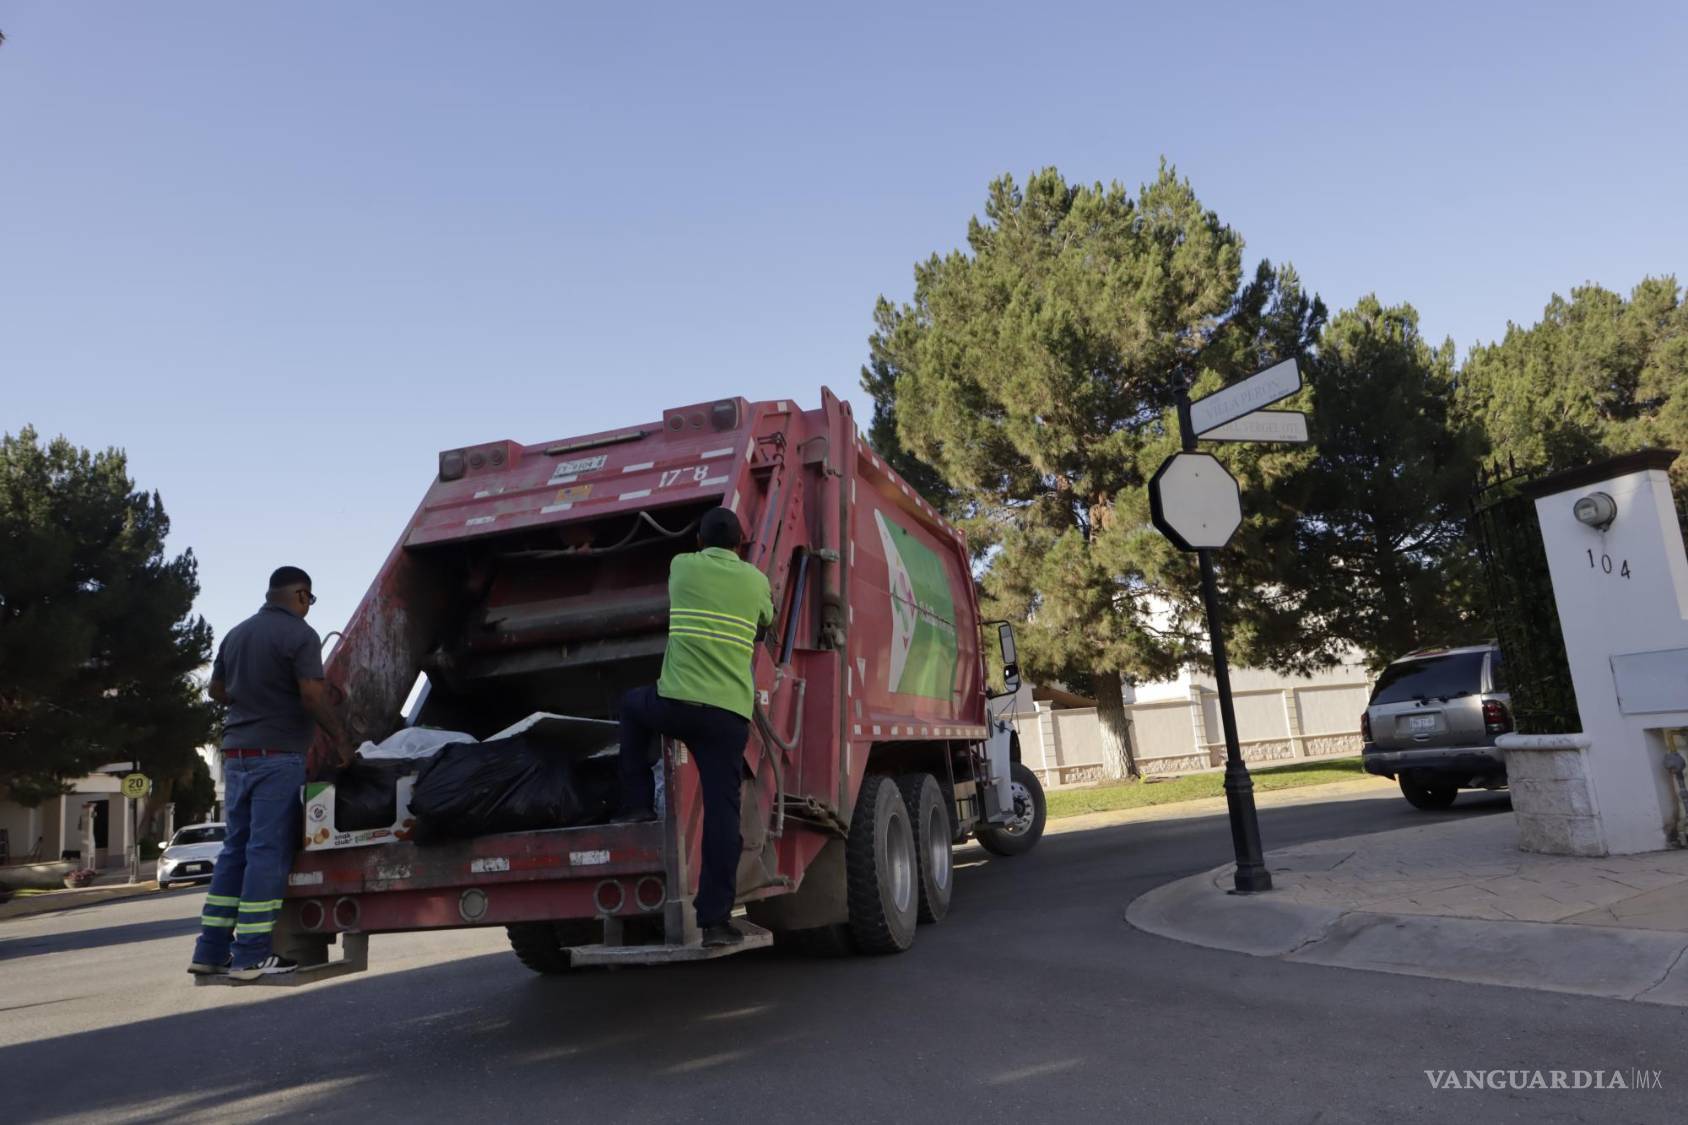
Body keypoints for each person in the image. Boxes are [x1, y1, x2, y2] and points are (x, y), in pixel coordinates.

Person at [615, 507, 774, 948]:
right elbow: (768, 620)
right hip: (726, 717)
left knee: (630, 707)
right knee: (723, 815)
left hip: (675, 704)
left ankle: (636, 804)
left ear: (700, 543)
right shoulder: (755, 581)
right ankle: (715, 922)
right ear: (740, 545)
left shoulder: (682, 566)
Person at [189, 566, 351, 981]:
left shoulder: (237, 633)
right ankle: (250, 956)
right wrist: (340, 739)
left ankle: (209, 951)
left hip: (237, 753)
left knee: (234, 851)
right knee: (266, 852)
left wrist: (254, 698)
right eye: (309, 600)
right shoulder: (300, 635)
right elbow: (312, 695)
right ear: (300, 595)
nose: (308, 607)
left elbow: (217, 691)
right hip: (277, 756)